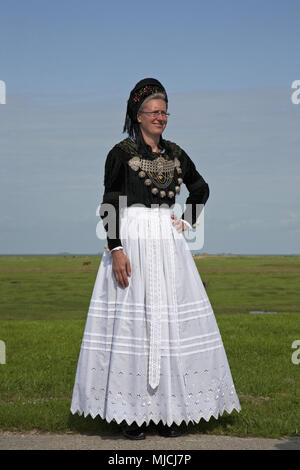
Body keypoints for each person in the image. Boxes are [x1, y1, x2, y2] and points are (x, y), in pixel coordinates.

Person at [70, 78, 241, 440]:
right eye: (154, 111)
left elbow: (201, 188)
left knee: (168, 321)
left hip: (167, 244)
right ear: (138, 114)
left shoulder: (176, 154)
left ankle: (169, 413)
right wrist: (115, 249)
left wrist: (187, 219)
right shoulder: (120, 153)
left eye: (165, 111)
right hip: (131, 241)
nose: (161, 117)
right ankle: (130, 415)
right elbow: (110, 201)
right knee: (134, 323)